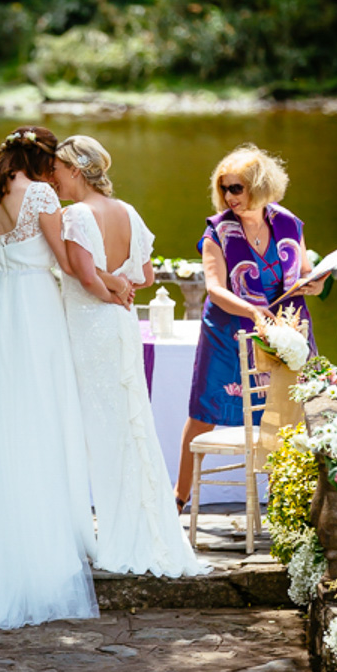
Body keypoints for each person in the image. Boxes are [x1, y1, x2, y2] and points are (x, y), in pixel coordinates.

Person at [0, 125, 110, 639]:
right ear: (40, 160)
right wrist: (106, 282)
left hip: (6, 311)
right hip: (38, 310)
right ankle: (50, 528)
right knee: (45, 410)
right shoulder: (38, 194)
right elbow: (65, 261)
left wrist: (0, 289)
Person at [55, 134, 207, 577]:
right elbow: (144, 274)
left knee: (99, 430)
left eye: (60, 169)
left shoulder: (76, 216)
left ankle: (113, 531)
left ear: (78, 171)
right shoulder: (127, 212)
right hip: (121, 323)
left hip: (90, 325)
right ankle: (138, 526)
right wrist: (120, 286)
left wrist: (105, 289)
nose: (56, 178)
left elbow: (84, 278)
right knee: (127, 425)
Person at [173, 143, 324, 513]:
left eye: (236, 188)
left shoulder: (288, 222)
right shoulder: (218, 231)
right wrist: (255, 312)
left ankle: (287, 502)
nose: (228, 196)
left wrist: (314, 285)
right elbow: (215, 288)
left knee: (289, 414)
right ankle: (178, 498)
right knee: (204, 414)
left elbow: (307, 273)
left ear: (258, 185)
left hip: (287, 329)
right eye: (224, 188)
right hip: (227, 333)